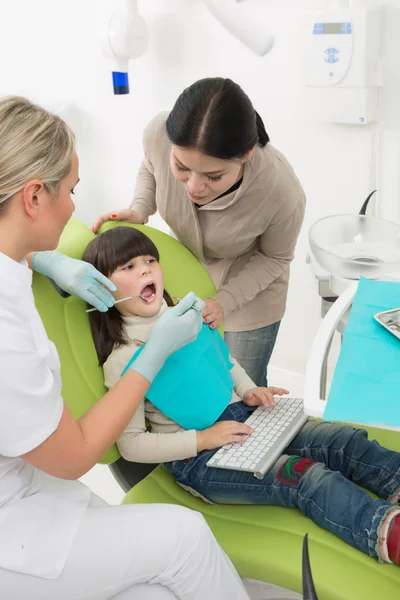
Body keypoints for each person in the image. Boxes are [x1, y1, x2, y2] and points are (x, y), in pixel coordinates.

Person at [0, 96, 251, 600]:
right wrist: (152, 353)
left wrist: (46, 260)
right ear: (32, 197)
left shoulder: (16, 269)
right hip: (16, 518)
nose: (74, 207)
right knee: (186, 539)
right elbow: (74, 457)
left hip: (33, 488)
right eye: (71, 190)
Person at [84, 225, 400, 566]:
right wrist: (203, 439)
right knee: (305, 476)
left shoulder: (183, 317)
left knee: (342, 439)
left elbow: (223, 360)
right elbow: (131, 444)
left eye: (150, 260)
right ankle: (386, 534)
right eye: (128, 267)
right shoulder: (121, 359)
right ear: (104, 289)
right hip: (198, 459)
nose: (146, 269)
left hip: (244, 419)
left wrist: (248, 389)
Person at [92, 77, 306, 387]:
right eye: (181, 167)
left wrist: (224, 301)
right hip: (191, 277)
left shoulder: (280, 190)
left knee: (241, 391)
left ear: (246, 155)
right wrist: (140, 208)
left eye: (213, 176)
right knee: (194, 383)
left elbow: (274, 258)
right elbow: (151, 167)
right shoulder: (158, 133)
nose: (193, 187)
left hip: (250, 296)